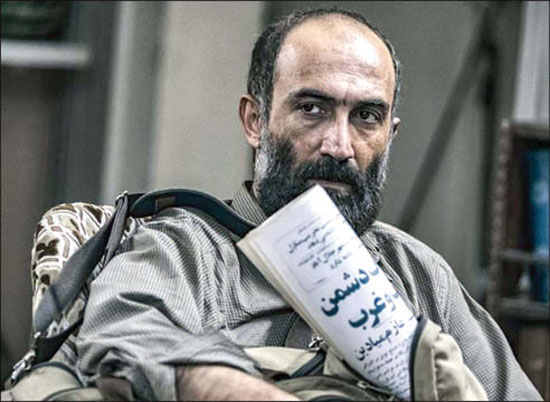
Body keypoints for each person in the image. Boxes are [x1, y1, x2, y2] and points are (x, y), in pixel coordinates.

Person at [74, 7, 542, 401]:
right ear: (255, 121)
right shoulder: (184, 250)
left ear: (390, 135)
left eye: (366, 116)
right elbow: (122, 336)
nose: (339, 145)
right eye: (312, 109)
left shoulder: (420, 275)